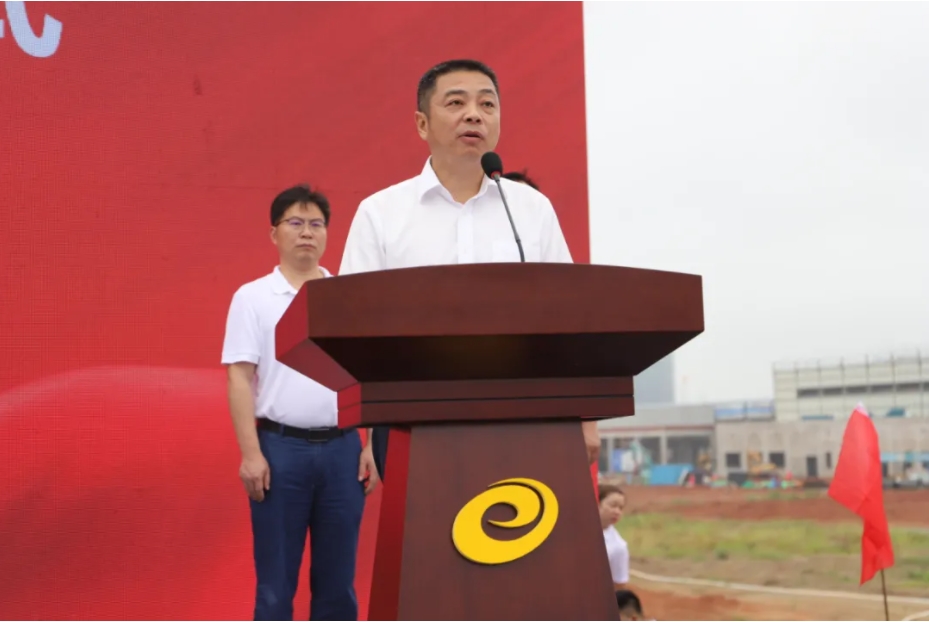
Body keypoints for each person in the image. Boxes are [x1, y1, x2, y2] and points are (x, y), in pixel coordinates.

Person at [338, 58, 601, 482]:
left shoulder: (530, 209)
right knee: (424, 526)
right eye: (456, 102)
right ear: (422, 124)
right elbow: (350, 322)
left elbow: (569, 317)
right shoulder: (381, 213)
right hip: (411, 419)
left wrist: (586, 416)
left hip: (522, 416)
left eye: (487, 104)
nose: (474, 114)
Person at [221, 185, 379, 621]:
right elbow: (239, 377)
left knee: (338, 586)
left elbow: (368, 374)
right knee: (275, 586)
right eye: (295, 223)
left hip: (343, 452)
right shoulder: (253, 298)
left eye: (316, 224)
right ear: (274, 234)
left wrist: (370, 445)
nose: (307, 232)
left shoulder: (347, 297)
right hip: (280, 451)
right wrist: (251, 454)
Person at [598, 483, 630, 589]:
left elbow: (619, 584)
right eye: (613, 505)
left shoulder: (619, 546)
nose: (617, 512)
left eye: (621, 508)